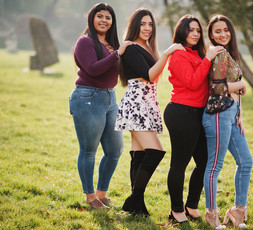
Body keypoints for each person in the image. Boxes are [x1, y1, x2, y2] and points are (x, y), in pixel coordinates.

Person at [115, 8, 185, 216]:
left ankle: (137, 206)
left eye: (150, 24)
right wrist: (167, 53)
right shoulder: (131, 48)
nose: (147, 28)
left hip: (146, 101)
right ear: (135, 26)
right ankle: (134, 198)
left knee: (139, 154)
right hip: (136, 103)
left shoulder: (145, 47)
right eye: (143, 24)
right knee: (155, 151)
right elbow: (150, 76)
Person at [69, 3, 133, 209]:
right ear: (92, 18)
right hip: (87, 97)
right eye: (100, 16)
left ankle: (101, 194)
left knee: (115, 149)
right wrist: (118, 53)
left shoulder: (112, 44)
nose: (104, 20)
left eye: (108, 17)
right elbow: (93, 69)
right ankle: (90, 197)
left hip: (109, 98)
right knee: (89, 150)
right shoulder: (85, 42)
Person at [164, 15, 223, 223]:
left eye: (198, 30)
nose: (195, 34)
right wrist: (208, 59)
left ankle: (191, 205)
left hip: (199, 114)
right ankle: (176, 210)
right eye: (190, 30)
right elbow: (191, 82)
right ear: (182, 32)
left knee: (205, 161)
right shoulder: (179, 54)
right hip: (181, 112)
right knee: (179, 163)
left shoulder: (198, 54)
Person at [202, 14, 253, 230]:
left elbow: (231, 88)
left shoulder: (229, 54)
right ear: (211, 35)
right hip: (217, 114)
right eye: (217, 31)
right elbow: (216, 88)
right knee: (215, 166)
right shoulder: (217, 53)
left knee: (246, 161)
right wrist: (241, 84)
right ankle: (211, 214)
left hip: (231, 114)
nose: (223, 34)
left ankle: (238, 211)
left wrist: (240, 114)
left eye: (226, 30)